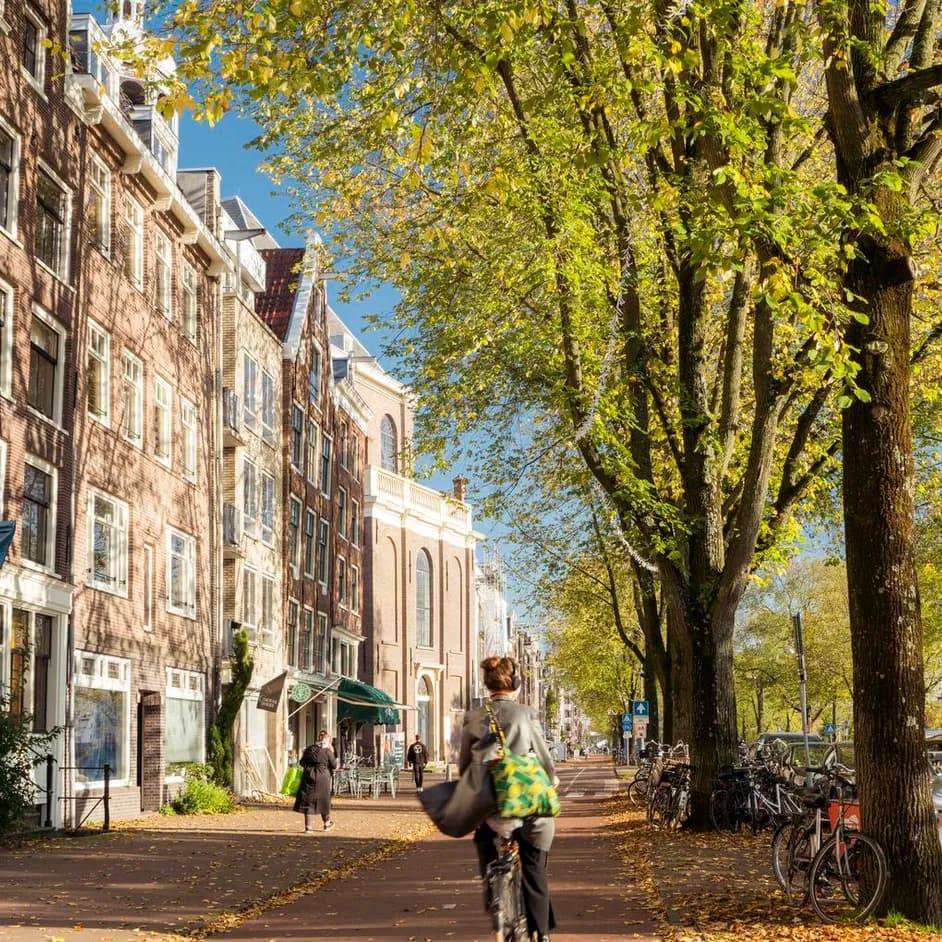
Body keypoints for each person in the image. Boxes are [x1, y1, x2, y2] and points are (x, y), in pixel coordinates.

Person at [459, 655, 556, 942]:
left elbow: (464, 765)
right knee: (534, 865)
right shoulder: (525, 714)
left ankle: (495, 895)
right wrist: (550, 781)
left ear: (488, 685)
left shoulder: (474, 716)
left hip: (490, 804)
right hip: (524, 801)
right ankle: (543, 934)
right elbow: (546, 761)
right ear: (514, 684)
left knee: (483, 840)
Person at [294, 729, 338, 832]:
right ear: (327, 740)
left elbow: (301, 762)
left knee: (307, 801)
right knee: (324, 801)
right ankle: (327, 824)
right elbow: (334, 765)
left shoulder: (310, 749)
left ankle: (308, 828)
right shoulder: (327, 751)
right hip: (323, 778)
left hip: (309, 777)